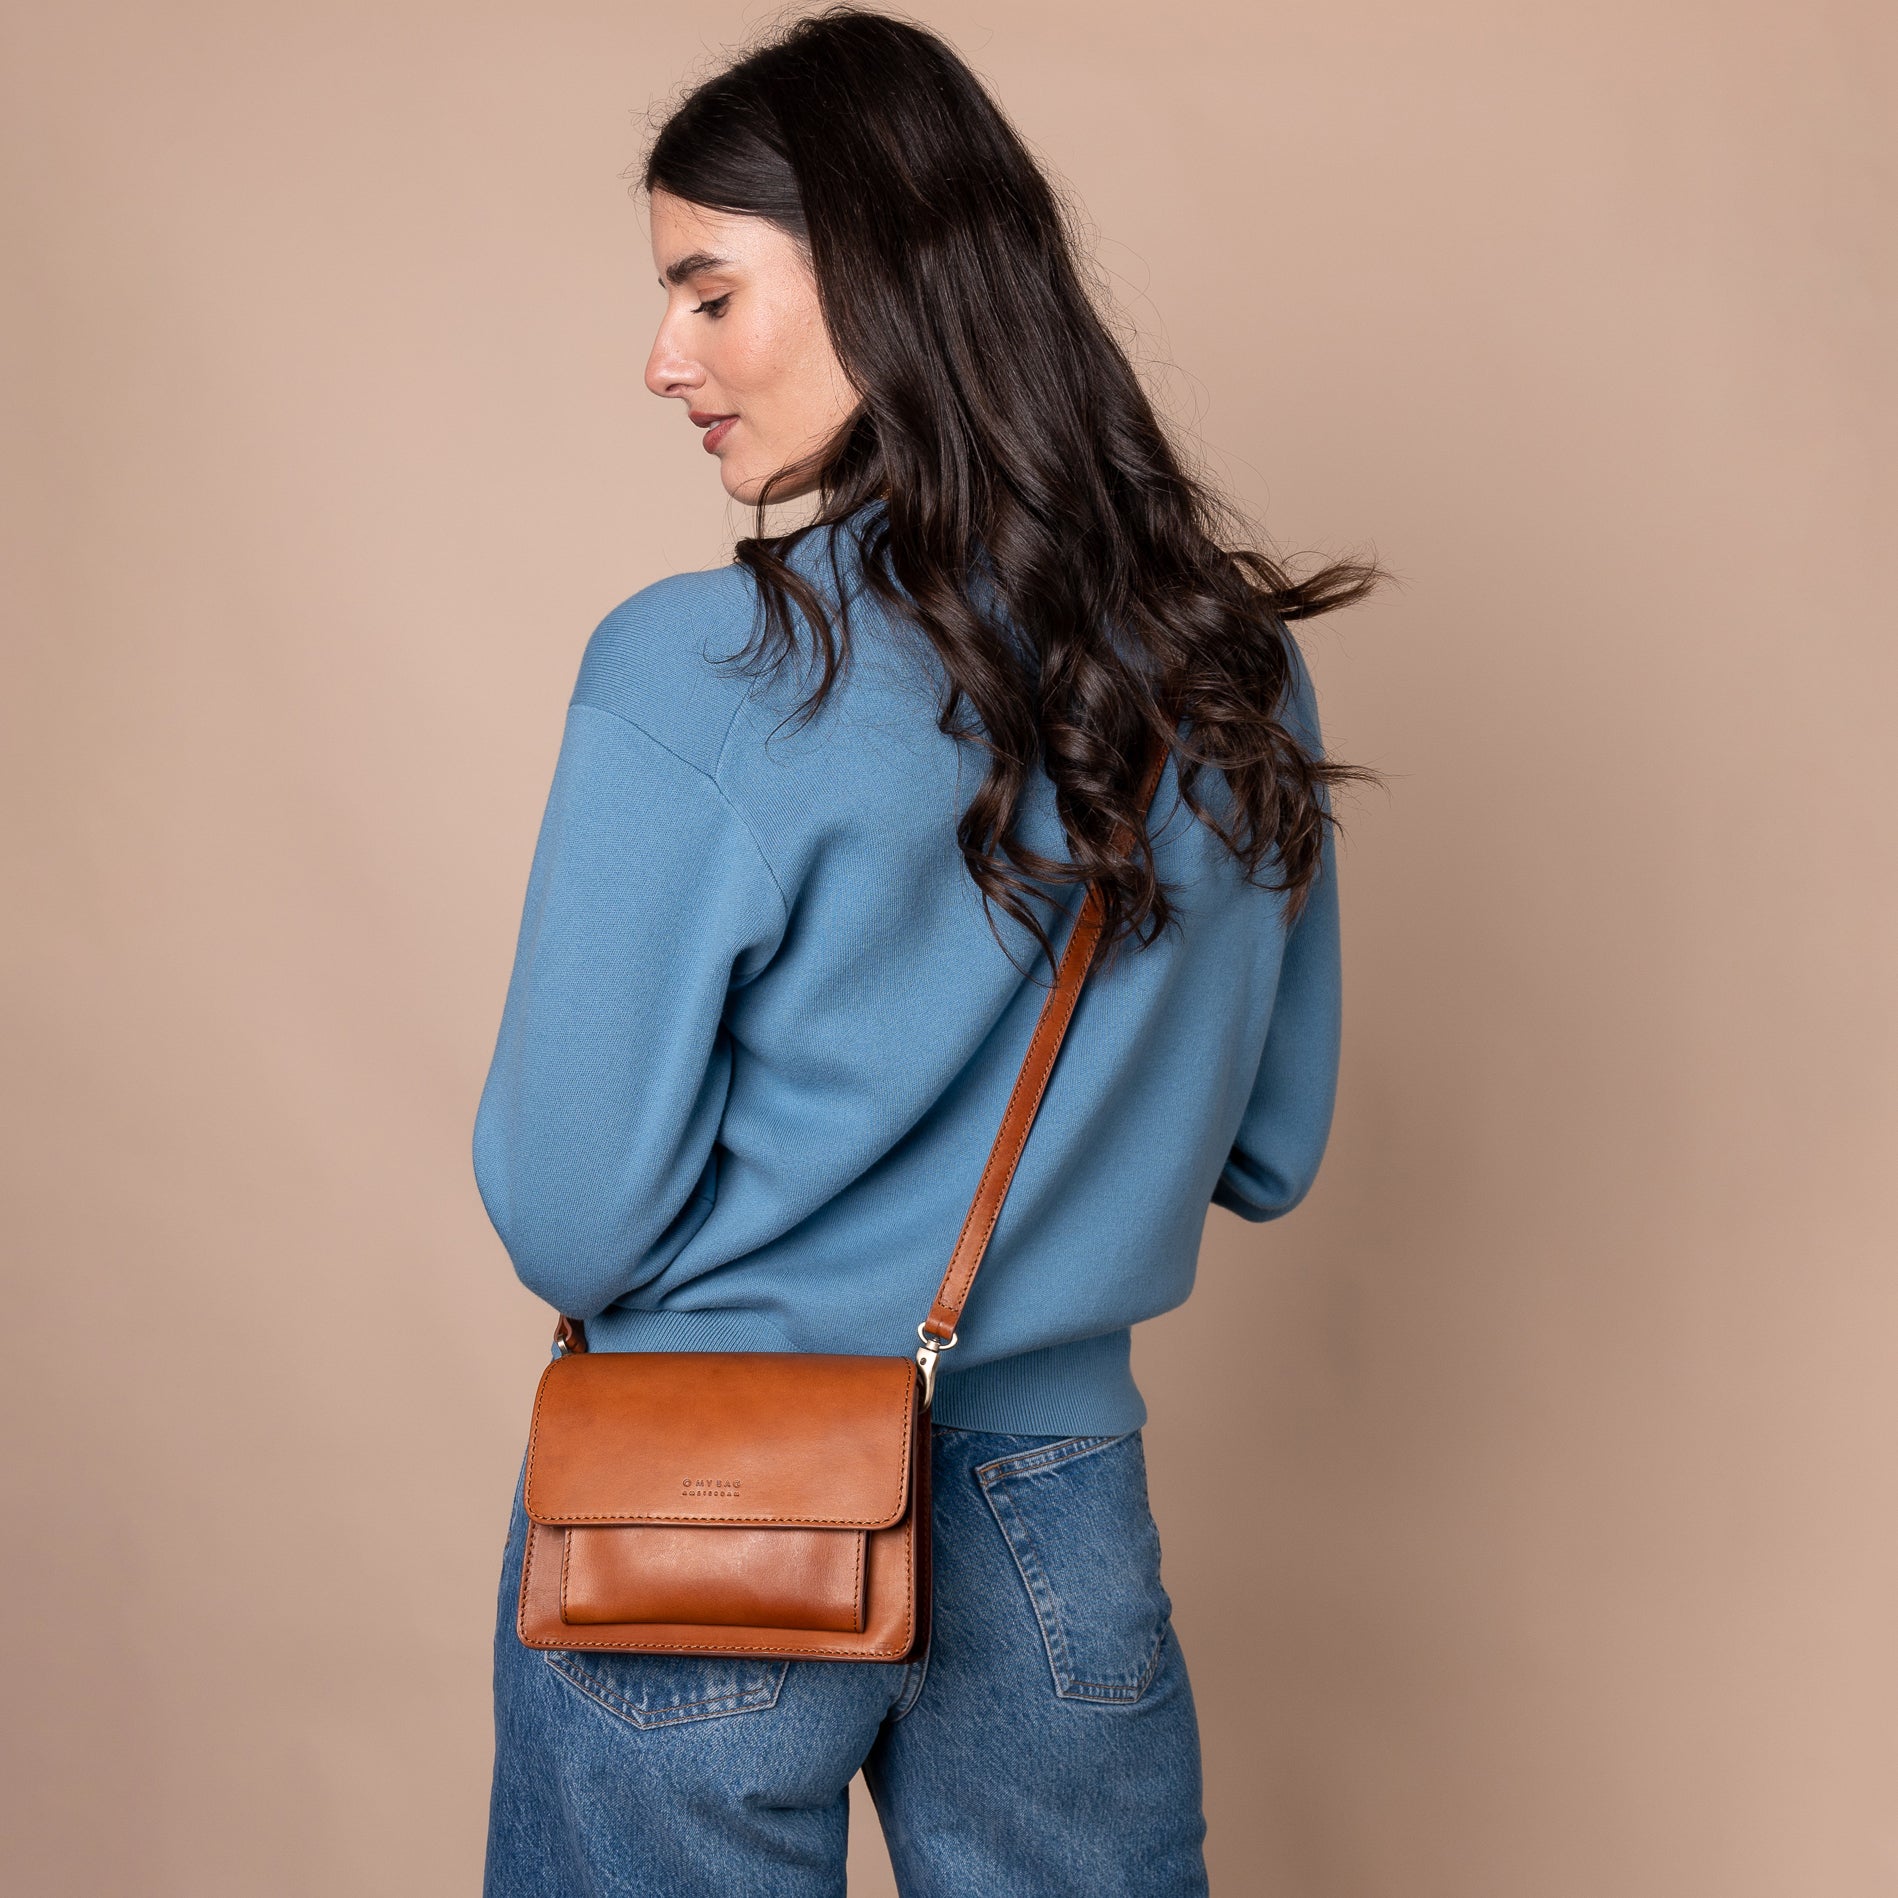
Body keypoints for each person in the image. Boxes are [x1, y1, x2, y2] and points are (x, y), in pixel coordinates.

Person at [472, 10, 1375, 1894]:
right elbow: (1268, 1147)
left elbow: (571, 1213)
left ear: (877, 275)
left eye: (708, 291)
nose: (662, 360)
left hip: (706, 1497)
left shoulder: (696, 669)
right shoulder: (1231, 670)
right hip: (1058, 1507)